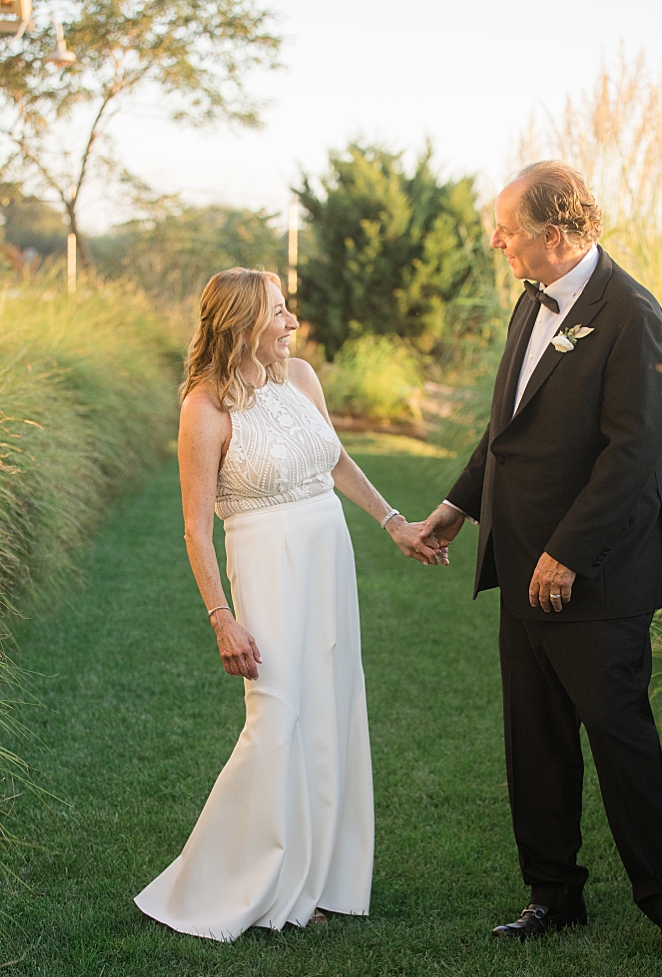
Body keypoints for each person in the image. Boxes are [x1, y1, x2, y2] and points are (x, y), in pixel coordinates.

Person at [415, 162, 662, 975]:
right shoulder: (530, 300)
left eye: (506, 226)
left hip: (599, 577)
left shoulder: (632, 315)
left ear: (554, 230)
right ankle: (553, 894)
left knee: (623, 744)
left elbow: (631, 456)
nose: (495, 240)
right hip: (521, 565)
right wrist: (458, 505)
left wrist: (568, 552)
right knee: (534, 741)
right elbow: (506, 429)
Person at [135, 269, 441, 941]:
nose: (293, 323)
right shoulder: (206, 408)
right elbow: (194, 526)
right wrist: (222, 617)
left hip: (327, 553)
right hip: (266, 562)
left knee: (330, 706)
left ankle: (324, 881)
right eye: (279, 312)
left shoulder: (300, 377)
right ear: (242, 325)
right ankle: (231, 882)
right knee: (276, 713)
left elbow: (335, 460)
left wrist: (394, 522)